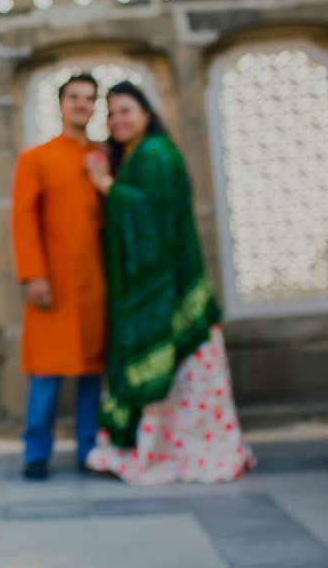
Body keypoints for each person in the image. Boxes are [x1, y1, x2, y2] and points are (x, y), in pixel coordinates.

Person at [83, 80, 254, 484]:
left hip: (169, 291)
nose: (117, 120)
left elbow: (151, 217)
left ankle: (181, 452)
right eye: (111, 113)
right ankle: (161, 448)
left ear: (146, 114)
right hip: (154, 288)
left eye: (126, 110)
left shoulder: (156, 154)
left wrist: (107, 186)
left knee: (182, 377)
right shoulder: (135, 156)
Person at [11, 73, 106, 480]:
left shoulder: (101, 158)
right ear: (62, 103)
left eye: (88, 98)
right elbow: (22, 219)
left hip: (96, 284)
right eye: (74, 97)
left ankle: (89, 449)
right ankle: (36, 452)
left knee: (91, 371)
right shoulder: (37, 158)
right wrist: (34, 274)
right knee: (47, 371)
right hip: (52, 281)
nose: (81, 104)